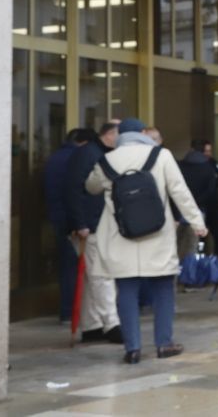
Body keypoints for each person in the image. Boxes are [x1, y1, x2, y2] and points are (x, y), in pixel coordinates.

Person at [84, 118, 206, 364]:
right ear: (143, 133)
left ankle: (133, 348)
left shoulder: (107, 159)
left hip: (121, 235)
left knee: (127, 290)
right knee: (163, 287)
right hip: (157, 233)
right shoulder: (161, 155)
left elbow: (91, 187)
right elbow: (179, 190)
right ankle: (164, 344)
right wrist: (197, 222)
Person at [63, 120, 122, 344]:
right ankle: (111, 323)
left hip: (96, 224)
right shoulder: (89, 154)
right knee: (101, 273)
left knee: (91, 276)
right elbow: (74, 189)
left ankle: (91, 325)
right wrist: (81, 224)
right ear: (110, 134)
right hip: (91, 226)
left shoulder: (95, 152)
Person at [43, 128, 93, 323]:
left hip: (57, 218)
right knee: (78, 268)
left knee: (67, 267)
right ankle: (75, 312)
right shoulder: (77, 160)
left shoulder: (55, 158)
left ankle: (67, 311)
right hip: (75, 221)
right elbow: (77, 193)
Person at [179, 139, 218, 260]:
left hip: (184, 209)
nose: (209, 154)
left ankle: (186, 273)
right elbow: (213, 187)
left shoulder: (180, 166)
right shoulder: (208, 167)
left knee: (186, 244)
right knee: (196, 242)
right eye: (207, 151)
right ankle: (200, 271)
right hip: (203, 208)